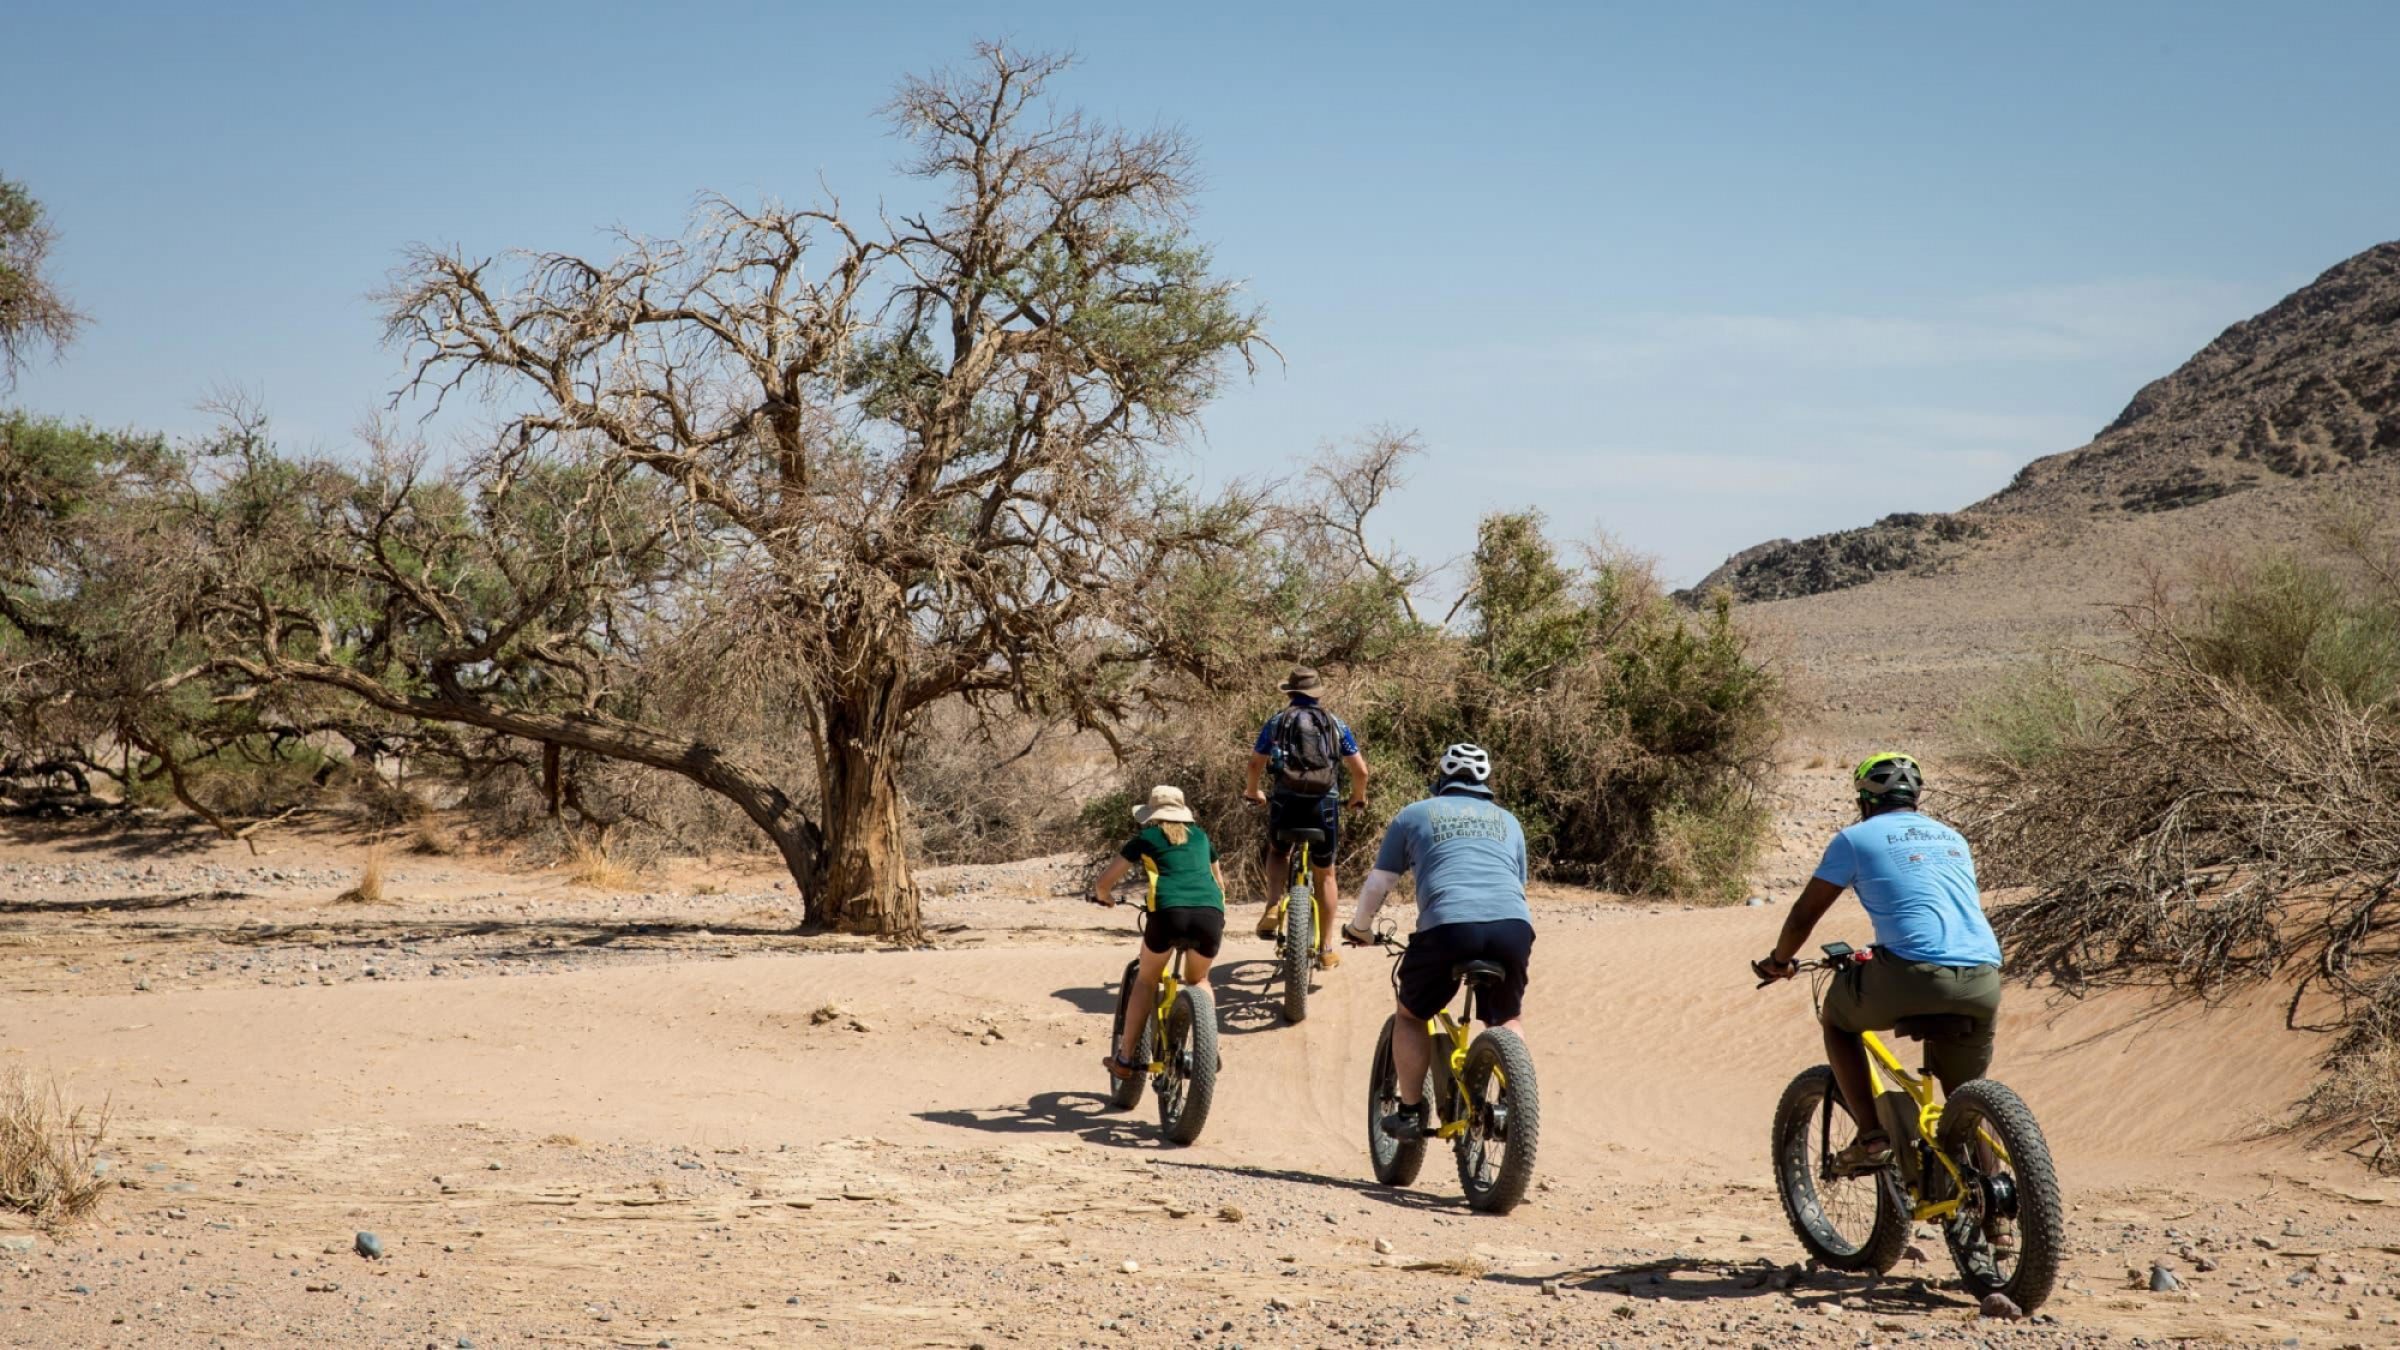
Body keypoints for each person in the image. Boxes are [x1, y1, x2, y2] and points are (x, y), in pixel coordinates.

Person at [1752, 751, 2004, 1172]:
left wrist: (1780, 961)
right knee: (1968, 1096)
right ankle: (1994, 1214)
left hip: (1912, 972)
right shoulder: (1952, 838)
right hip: (1983, 975)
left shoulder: (1855, 839)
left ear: (1864, 801)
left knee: (1837, 1017)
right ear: (1916, 797)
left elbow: (1803, 915)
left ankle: (1872, 1136)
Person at [1339, 743, 1531, 1140]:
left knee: (1411, 1015)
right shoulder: (1509, 821)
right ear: (1485, 781)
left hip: (1448, 927)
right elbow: (1519, 885)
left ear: (1441, 778)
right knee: (1507, 1018)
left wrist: (1360, 928)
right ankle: (1517, 1106)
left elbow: (1380, 882)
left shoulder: (1414, 814)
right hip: (1512, 926)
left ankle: (1410, 1111)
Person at [1090, 785, 1228, 1083]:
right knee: (1200, 980)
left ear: (1152, 815)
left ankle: (1125, 1057)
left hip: (1168, 914)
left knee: (1146, 979)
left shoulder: (1146, 838)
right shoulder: (1202, 837)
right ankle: (1208, 1049)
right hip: (1210, 914)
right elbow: (1220, 882)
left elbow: (1104, 882)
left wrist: (1106, 897)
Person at [1243, 666, 1369, 970]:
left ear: (1290, 693)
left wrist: (1253, 792)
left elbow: (1255, 764)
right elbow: (1360, 771)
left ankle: (1274, 904)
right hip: (1323, 803)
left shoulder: (1276, 722)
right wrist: (1358, 797)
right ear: (1317, 693)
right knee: (1325, 873)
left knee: (1278, 850)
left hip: (1286, 800)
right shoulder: (1335, 723)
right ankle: (1326, 947)